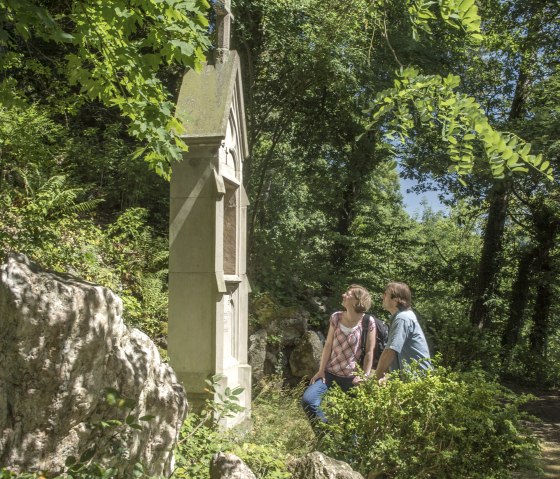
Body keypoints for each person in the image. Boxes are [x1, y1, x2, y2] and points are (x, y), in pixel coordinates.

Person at [302, 284, 376, 424]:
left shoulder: (368, 322)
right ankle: (325, 434)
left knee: (352, 419)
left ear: (357, 301)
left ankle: (350, 446)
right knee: (308, 400)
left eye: (348, 294)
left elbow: (369, 352)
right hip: (330, 373)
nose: (343, 295)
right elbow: (328, 345)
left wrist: (364, 377)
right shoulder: (336, 317)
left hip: (353, 378)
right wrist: (321, 371)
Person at [375, 281, 432, 383]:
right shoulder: (401, 317)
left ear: (396, 299)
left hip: (417, 381)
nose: (382, 297)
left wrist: (375, 378)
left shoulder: (402, 318)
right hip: (412, 379)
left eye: (386, 294)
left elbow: (390, 351)